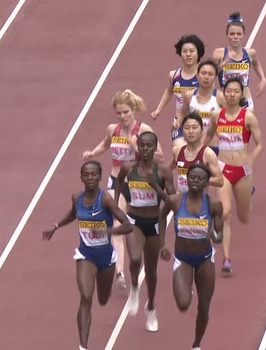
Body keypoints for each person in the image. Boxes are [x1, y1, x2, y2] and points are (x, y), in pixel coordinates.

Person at [42, 161, 133, 350]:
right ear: (81, 177)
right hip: (86, 256)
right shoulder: (77, 198)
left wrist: (107, 232)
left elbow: (127, 225)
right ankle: (83, 346)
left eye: (93, 174)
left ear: (100, 177)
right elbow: (72, 214)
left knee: (102, 298)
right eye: (86, 174)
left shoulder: (106, 199)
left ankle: (105, 289)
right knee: (85, 297)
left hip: (107, 258)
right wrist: (56, 226)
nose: (90, 178)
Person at [83, 89, 164, 290]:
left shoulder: (144, 129)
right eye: (119, 113)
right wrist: (93, 152)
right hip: (116, 181)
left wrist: (137, 148)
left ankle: (143, 257)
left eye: (126, 112)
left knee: (140, 228)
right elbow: (105, 143)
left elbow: (160, 156)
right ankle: (119, 272)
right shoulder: (113, 129)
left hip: (138, 184)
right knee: (117, 225)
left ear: (133, 110)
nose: (122, 116)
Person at [159, 163, 224, 350]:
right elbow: (161, 216)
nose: (195, 181)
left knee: (204, 306)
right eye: (192, 178)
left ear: (206, 183)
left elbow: (220, 236)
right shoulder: (175, 201)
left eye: (200, 178)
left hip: (204, 259)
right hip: (183, 258)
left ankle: (196, 344)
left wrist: (214, 236)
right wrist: (163, 244)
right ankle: (187, 284)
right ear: (186, 180)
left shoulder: (213, 205)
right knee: (183, 304)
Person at [114, 131, 175, 332]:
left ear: (156, 147)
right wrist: (116, 208)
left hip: (155, 222)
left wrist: (155, 187)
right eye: (142, 145)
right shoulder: (128, 167)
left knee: (151, 271)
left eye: (150, 145)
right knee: (134, 260)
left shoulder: (163, 171)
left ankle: (151, 307)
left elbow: (173, 201)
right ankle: (134, 288)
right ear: (137, 147)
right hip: (135, 220)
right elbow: (118, 183)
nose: (146, 149)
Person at [203, 77, 263, 275]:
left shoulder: (248, 117)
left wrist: (251, 160)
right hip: (223, 168)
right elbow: (208, 136)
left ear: (241, 94)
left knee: (243, 216)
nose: (231, 95)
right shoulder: (216, 116)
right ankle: (226, 259)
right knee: (226, 212)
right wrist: (198, 151)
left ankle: (247, 197)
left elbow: (260, 143)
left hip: (242, 170)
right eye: (228, 91)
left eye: (236, 91)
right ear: (224, 92)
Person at [151, 35, 205, 149]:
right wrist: (158, 110)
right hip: (180, 123)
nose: (188, 54)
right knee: (179, 152)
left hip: (199, 123)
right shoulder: (174, 75)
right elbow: (169, 91)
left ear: (198, 53)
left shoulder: (203, 76)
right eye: (184, 51)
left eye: (191, 51)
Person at [212, 12, 266, 111]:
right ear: (227, 35)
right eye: (232, 34)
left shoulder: (250, 53)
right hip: (226, 101)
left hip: (245, 101)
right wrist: (223, 64)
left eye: (238, 34)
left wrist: (263, 79)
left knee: (246, 125)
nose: (235, 37)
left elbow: (255, 62)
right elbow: (210, 73)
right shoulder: (219, 53)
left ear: (243, 35)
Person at [179, 59, 224, 155]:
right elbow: (182, 115)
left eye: (210, 74)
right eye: (203, 73)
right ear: (197, 75)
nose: (206, 77)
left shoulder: (221, 98)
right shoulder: (189, 96)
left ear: (215, 77)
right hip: (194, 145)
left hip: (214, 146)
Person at [172, 112, 224, 193]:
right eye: (187, 128)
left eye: (195, 127)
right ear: (182, 131)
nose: (191, 131)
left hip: (199, 202)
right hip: (181, 199)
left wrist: (199, 179)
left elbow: (220, 181)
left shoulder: (208, 154)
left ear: (201, 131)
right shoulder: (177, 152)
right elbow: (167, 170)